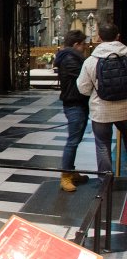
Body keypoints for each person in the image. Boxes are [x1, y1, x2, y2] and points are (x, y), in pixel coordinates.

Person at [76, 22, 127, 180]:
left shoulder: (91, 61)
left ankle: (106, 181)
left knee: (102, 145)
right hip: (125, 109)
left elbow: (83, 88)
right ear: (118, 36)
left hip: (101, 111)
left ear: (99, 38)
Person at [54, 29, 90, 192]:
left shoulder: (71, 57)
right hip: (74, 103)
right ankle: (65, 176)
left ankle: (70, 170)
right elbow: (84, 79)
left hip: (78, 102)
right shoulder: (70, 59)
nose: (85, 48)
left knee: (76, 139)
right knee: (73, 141)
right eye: (83, 45)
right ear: (76, 44)